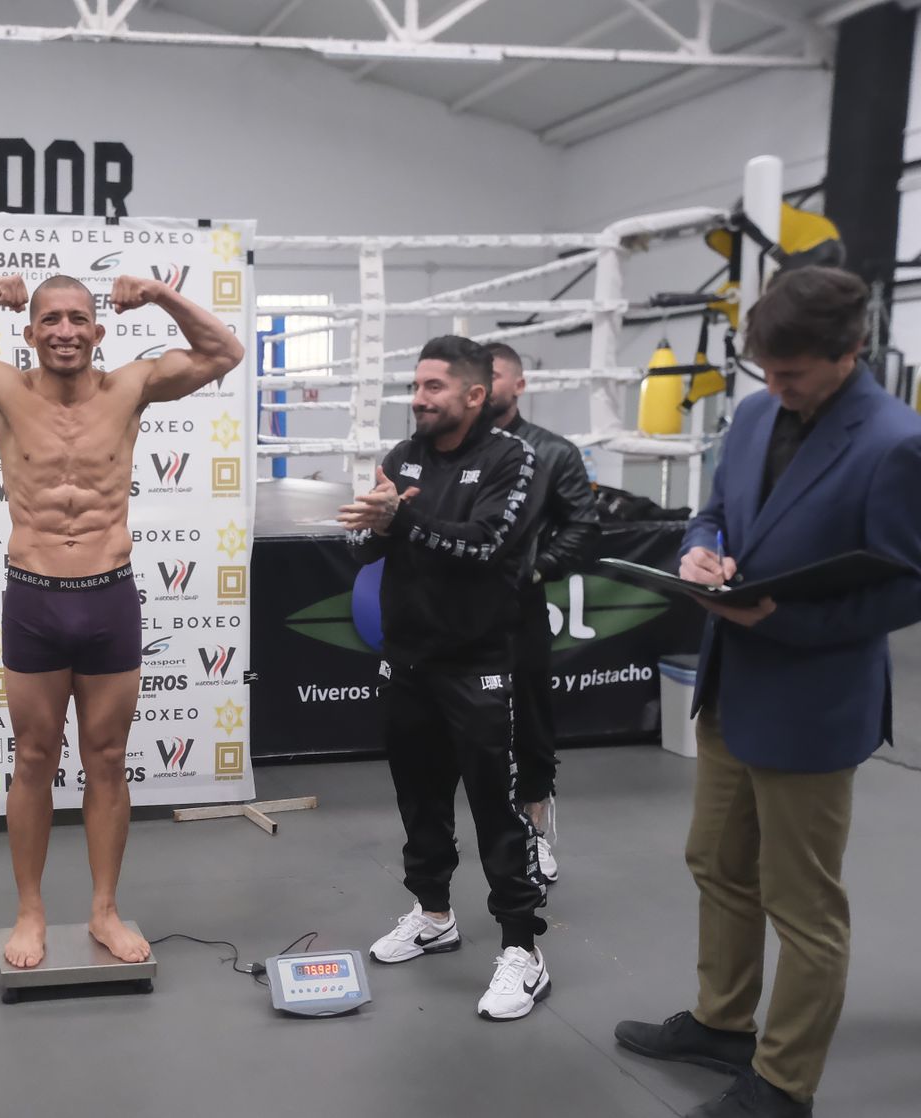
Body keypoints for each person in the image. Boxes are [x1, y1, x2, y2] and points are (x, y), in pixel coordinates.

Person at [614, 267, 921, 1117]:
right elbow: (714, 508)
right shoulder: (754, 412)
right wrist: (697, 553)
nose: (777, 390)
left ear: (849, 353)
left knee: (804, 905)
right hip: (730, 683)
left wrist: (780, 618)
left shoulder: (896, 441)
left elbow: (908, 587)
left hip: (813, 702)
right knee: (717, 863)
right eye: (767, 372)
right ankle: (722, 1022)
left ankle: (785, 1084)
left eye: (793, 375)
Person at [0, 272, 243, 969]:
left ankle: (103, 910)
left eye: (79, 318)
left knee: (107, 760)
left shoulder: (132, 386)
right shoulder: (1, 386)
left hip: (109, 597)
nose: (66, 331)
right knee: (34, 759)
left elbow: (224, 352)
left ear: (98, 331)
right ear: (31, 332)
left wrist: (164, 297)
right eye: (52, 320)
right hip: (35, 597)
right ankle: (31, 911)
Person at [340, 335, 550, 1021]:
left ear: (474, 394)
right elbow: (373, 548)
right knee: (420, 801)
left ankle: (523, 950)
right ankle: (433, 915)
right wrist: (372, 525)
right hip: (409, 663)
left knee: (497, 811)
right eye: (416, 385)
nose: (418, 398)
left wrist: (404, 518)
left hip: (483, 665)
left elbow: (487, 545)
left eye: (433, 387)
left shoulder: (513, 459)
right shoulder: (403, 458)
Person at [485, 341, 600, 882]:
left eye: (496, 374)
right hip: (449, 615)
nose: (484, 384)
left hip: (518, 607)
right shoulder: (448, 450)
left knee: (529, 717)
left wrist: (537, 567)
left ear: (519, 385)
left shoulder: (553, 452)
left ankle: (533, 833)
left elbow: (584, 527)